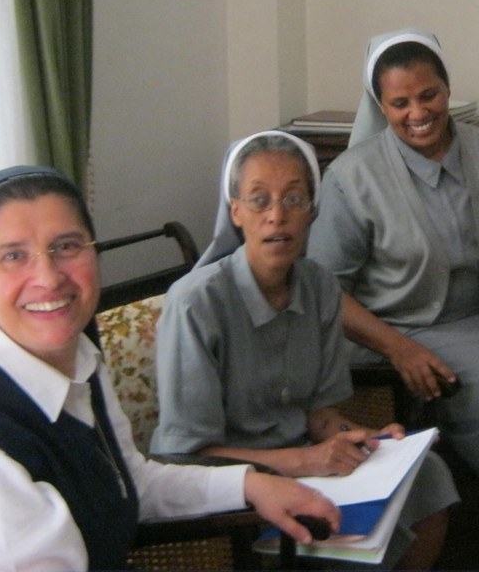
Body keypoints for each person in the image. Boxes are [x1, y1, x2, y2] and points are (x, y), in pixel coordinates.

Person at [0, 165, 339, 571]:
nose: (47, 277)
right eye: (13, 255)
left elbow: (129, 482)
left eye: (66, 246)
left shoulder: (76, 358)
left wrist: (252, 484)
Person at [307, 31, 479, 570]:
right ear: (382, 108)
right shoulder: (352, 177)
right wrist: (399, 347)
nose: (417, 113)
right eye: (399, 103)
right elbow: (327, 290)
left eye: (428, 95)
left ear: (448, 90)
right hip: (411, 326)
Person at [151, 130, 458, 569]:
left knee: (428, 475)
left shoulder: (320, 287)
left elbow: (319, 415)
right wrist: (304, 461)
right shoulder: (196, 304)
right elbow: (184, 456)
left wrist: (362, 438)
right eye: (259, 200)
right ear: (235, 210)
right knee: (337, 533)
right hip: (231, 494)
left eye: (294, 199)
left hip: (307, 470)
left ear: (312, 210)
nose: (277, 216)